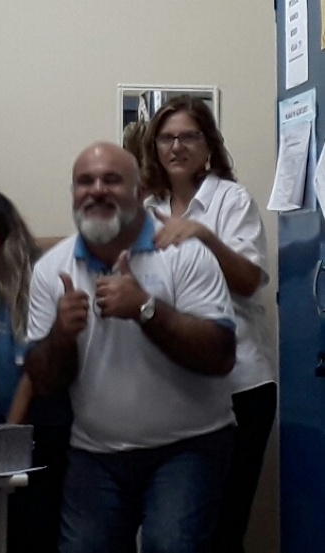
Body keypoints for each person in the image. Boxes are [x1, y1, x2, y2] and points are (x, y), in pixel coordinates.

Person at [25, 141, 237, 553]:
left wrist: (146, 310)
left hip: (188, 446)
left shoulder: (184, 253)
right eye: (85, 181)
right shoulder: (52, 270)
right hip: (95, 452)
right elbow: (44, 380)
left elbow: (220, 355)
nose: (97, 190)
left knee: (169, 545)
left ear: (139, 191)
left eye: (112, 180)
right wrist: (61, 335)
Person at [142, 95, 276, 553]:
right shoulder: (148, 209)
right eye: (166, 138)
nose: (176, 146)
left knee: (223, 527)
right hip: (174, 388)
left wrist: (203, 236)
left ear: (208, 145)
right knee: (179, 529)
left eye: (188, 136)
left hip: (240, 385)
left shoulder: (231, 200)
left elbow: (249, 280)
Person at [0, 189, 72, 553]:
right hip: (21, 434)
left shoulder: (30, 282)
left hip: (42, 434)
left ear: (6, 231)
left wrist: (6, 440)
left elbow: (30, 375)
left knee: (33, 536)